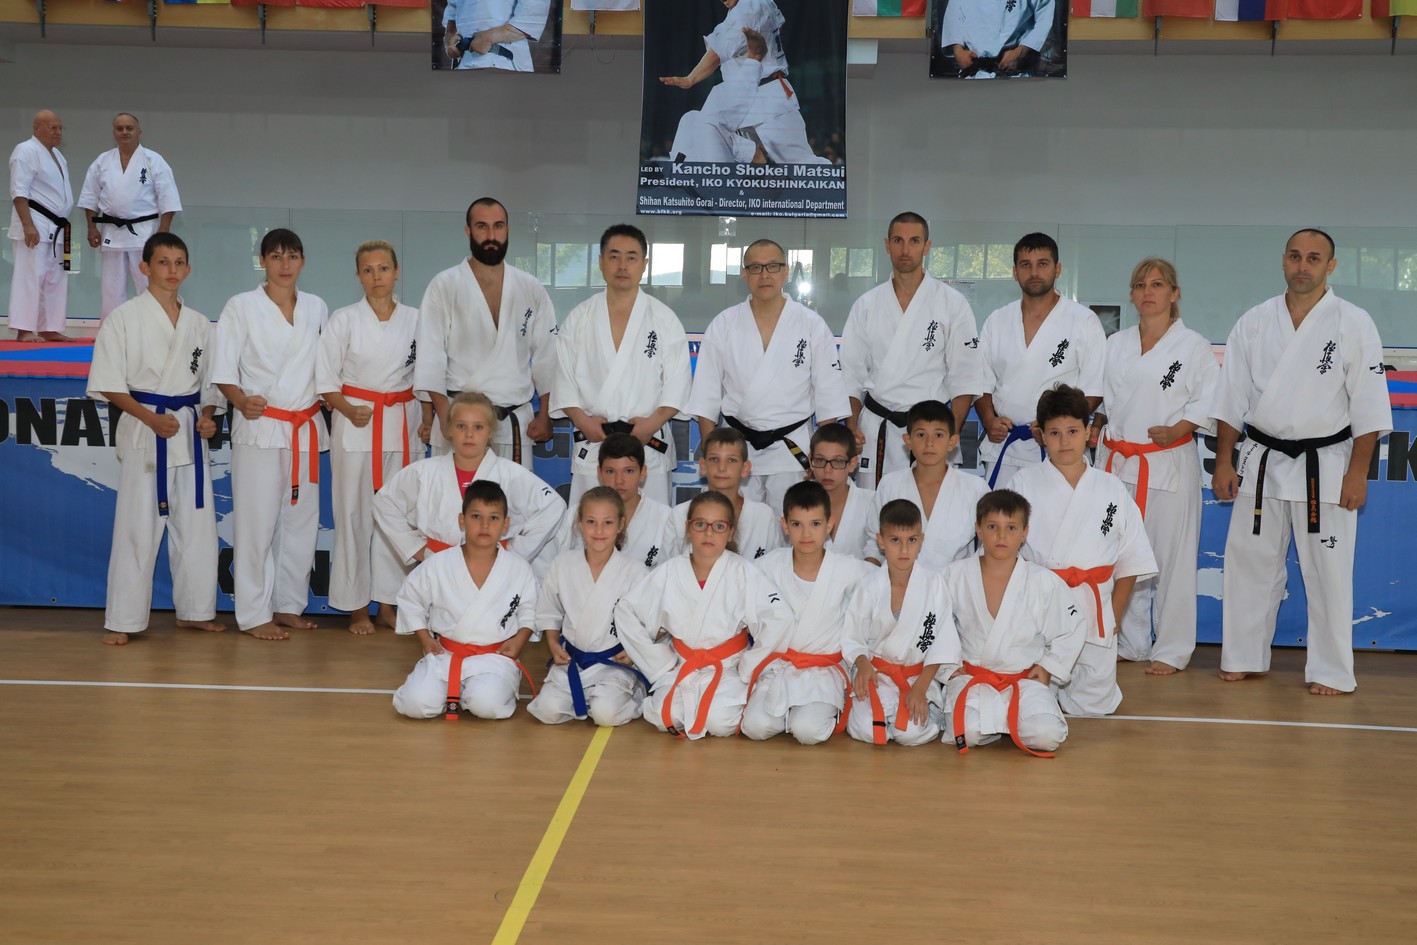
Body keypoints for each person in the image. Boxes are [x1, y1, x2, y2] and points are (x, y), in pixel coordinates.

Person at [1210, 228, 1392, 696]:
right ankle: (1243, 656)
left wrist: (1358, 473)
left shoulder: (1353, 322)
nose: (1302, 265)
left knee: (1328, 572)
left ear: (1331, 266)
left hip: (1325, 463)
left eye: (1313, 258)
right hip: (1261, 461)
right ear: (1283, 261)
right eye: (1295, 256)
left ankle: (1331, 670)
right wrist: (1224, 461)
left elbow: (1369, 406)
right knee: (1250, 563)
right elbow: (1230, 398)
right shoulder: (1254, 321)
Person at [87, 232, 225, 646]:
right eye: (163, 262)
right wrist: (150, 418)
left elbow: (211, 384)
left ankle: (195, 611)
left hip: (187, 433)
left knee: (197, 528)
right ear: (144, 267)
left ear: (188, 269)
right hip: (145, 430)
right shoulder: (123, 318)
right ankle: (122, 619)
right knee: (137, 527)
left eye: (179, 263)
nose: (172, 270)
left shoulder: (199, 323)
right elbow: (109, 382)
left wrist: (207, 417)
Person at [1093, 259, 1217, 675]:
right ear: (1131, 295)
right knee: (1121, 554)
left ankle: (1172, 648)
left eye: (1158, 284)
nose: (1148, 292)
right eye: (1140, 285)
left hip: (1166, 462)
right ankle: (1131, 641)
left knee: (1171, 558)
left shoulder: (1193, 347)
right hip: (1117, 462)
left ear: (1174, 293)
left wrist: (1179, 428)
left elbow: (1208, 399)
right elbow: (1103, 399)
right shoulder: (1116, 344)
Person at [211, 228, 328, 642]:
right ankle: (254, 614)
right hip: (261, 425)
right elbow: (223, 369)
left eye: (292, 256)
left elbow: (327, 367)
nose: (284, 265)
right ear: (262, 261)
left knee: (300, 523)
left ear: (302, 261)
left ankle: (287, 605)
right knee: (256, 524)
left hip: (305, 426)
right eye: (275, 256)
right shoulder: (241, 306)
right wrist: (240, 402)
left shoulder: (317, 307)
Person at [1010, 385, 1156, 716]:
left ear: (1089, 432)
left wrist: (1114, 614)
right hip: (1041, 611)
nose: (1064, 441)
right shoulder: (1022, 483)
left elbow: (1132, 559)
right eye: (1055, 433)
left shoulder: (1111, 487)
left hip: (1094, 610)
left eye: (1073, 431)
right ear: (1041, 435)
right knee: (1033, 707)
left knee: (1093, 709)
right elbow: (1003, 555)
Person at [686, 238, 850, 513]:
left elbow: (829, 394)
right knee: (735, 524)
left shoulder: (811, 324)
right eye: (756, 267)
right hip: (737, 447)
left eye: (773, 266)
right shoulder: (724, 324)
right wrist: (713, 454)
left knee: (791, 526)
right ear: (744, 273)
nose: (764, 274)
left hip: (791, 448)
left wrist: (821, 456)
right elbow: (706, 394)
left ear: (786, 271)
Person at [615, 490, 792, 739]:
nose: (709, 533)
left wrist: (749, 665)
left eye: (718, 526)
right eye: (700, 524)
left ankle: (741, 695)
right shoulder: (670, 571)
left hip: (728, 667)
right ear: (688, 528)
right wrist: (658, 661)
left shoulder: (743, 571)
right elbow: (626, 610)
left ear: (731, 532)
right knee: (664, 717)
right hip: (682, 663)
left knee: (721, 722)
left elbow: (779, 617)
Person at [316, 240, 427, 635]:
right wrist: (347, 409)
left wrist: (428, 418)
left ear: (396, 272)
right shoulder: (344, 320)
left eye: (383, 268)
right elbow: (325, 380)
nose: (377, 276)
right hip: (356, 425)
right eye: (368, 270)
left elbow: (427, 376)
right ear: (358, 276)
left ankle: (389, 602)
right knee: (353, 514)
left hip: (402, 423)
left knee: (399, 516)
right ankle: (356, 606)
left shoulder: (417, 319)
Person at [553, 223, 692, 507]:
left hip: (647, 442)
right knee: (592, 523)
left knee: (651, 526)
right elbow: (563, 380)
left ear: (644, 265)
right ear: (601, 262)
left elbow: (678, 383)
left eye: (631, 257)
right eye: (614, 256)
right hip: (594, 443)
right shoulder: (579, 318)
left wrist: (652, 424)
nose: (622, 265)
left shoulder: (664, 319)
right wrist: (583, 422)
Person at [840, 212, 983, 485]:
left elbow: (965, 377)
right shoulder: (867, 305)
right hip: (877, 428)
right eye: (898, 241)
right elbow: (850, 373)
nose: (905, 250)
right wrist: (851, 426)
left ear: (927, 246)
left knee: (928, 507)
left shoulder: (952, 303)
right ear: (887, 245)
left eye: (914, 241)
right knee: (875, 506)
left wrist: (948, 434)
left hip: (929, 433)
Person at [941, 490, 1085, 757]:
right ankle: (1003, 723)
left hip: (1025, 680)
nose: (1001, 536)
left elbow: (1072, 627)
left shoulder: (1043, 581)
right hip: (973, 678)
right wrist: (947, 667)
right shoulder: (954, 575)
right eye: (992, 527)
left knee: (1046, 735)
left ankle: (1004, 721)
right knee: (967, 732)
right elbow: (936, 625)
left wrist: (1049, 667)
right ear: (978, 529)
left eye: (1011, 528)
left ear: (1024, 533)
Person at [415, 197, 556, 469]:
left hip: (514, 421)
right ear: (468, 231)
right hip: (459, 420)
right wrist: (444, 417)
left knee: (511, 496)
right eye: (482, 226)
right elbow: (430, 356)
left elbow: (547, 357)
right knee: (453, 495)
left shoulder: (531, 288)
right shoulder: (444, 285)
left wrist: (545, 414)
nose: (491, 235)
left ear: (508, 229)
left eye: (498, 226)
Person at [375, 391, 566, 583]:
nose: (469, 434)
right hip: (438, 567)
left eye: (478, 427)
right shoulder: (424, 472)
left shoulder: (511, 473)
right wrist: (416, 549)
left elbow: (553, 506)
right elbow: (384, 502)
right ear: (448, 429)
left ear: (490, 432)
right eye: (461, 426)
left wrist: (515, 551)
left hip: (493, 570)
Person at [391, 480, 539, 720]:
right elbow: (411, 599)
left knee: (487, 705)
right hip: (445, 655)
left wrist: (519, 640)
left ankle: (481, 690)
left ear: (505, 524)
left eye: (494, 518)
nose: (484, 525)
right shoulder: (438, 564)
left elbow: (530, 608)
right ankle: (455, 689)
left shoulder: (518, 568)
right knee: (413, 705)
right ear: (462, 521)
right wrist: (425, 639)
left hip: (495, 657)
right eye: (476, 516)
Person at [741, 481, 873, 744]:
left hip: (824, 669)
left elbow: (887, 590)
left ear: (829, 525)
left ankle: (811, 712)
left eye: (815, 524)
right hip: (780, 666)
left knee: (807, 731)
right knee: (755, 728)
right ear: (784, 525)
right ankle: (786, 713)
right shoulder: (766, 567)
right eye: (797, 524)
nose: (806, 534)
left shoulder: (850, 569)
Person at [975, 233, 1105, 488]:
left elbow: (1094, 390)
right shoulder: (997, 321)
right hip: (1005, 445)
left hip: (1059, 447)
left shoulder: (1083, 321)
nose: (1034, 272)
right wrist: (989, 420)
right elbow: (980, 381)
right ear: (1015, 272)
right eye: (1026, 265)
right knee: (1002, 513)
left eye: (1042, 264)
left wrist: (1053, 426)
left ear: (1058, 269)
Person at [527, 487, 652, 726]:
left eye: (608, 522)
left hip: (613, 662)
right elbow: (549, 612)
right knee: (548, 710)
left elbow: (649, 621)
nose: (599, 531)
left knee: (605, 714)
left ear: (621, 524)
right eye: (591, 522)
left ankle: (634, 694)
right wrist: (553, 643)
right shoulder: (563, 564)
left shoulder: (635, 571)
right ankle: (588, 696)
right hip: (572, 660)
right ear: (579, 523)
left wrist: (634, 652)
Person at [843, 498, 961, 746]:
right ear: (881, 541)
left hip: (917, 677)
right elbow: (852, 636)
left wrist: (920, 687)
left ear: (922, 540)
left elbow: (942, 643)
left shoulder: (934, 584)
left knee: (911, 734)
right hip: (877, 674)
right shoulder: (868, 586)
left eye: (912, 540)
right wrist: (862, 665)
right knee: (866, 730)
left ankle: (926, 709)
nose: (904, 550)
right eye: (895, 540)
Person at [659, 0, 830, 165]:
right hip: (742, 97)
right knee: (694, 122)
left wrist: (690, 79)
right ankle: (747, 156)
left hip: (767, 95)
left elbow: (719, 51)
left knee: (801, 165)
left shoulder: (751, 4)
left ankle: (834, 180)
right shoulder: (741, 10)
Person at [78, 112, 182, 320]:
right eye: (120, 129)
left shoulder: (153, 160)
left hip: (145, 232)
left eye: (129, 128)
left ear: (139, 132)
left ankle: (155, 328)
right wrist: (91, 227)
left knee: (148, 284)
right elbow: (90, 197)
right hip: (111, 232)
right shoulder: (102, 161)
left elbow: (168, 196)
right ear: (114, 133)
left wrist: (164, 229)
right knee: (111, 288)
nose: (124, 132)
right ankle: (112, 331)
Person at [869, 400, 988, 571]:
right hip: (900, 582)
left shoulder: (976, 488)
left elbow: (989, 546)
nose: (929, 443)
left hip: (955, 583)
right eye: (921, 435)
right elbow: (874, 544)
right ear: (908, 441)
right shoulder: (890, 485)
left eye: (938, 435)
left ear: (952, 441)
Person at [553, 433, 676, 570]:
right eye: (610, 471)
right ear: (599, 473)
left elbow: (671, 573)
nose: (619, 481)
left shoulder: (664, 517)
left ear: (642, 472)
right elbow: (552, 566)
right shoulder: (577, 513)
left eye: (628, 471)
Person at [664, 427, 781, 561]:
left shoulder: (764, 516)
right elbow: (666, 570)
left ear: (745, 468)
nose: (722, 468)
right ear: (703, 465)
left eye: (731, 460)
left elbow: (774, 567)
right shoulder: (680, 514)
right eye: (714, 459)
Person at [8, 109, 74, 342]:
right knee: (30, 276)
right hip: (35, 221)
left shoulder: (57, 155)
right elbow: (19, 191)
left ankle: (49, 327)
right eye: (53, 127)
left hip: (57, 227)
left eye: (60, 128)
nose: (58, 132)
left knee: (55, 277)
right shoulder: (25, 150)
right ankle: (24, 329)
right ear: (37, 128)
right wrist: (28, 225)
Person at [805, 423, 875, 559]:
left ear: (852, 464)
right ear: (810, 460)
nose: (827, 470)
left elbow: (876, 553)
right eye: (820, 460)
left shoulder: (871, 503)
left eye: (837, 461)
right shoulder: (798, 500)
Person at [939, 0, 1055, 77]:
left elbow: (1045, 18)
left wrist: (1020, 52)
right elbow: (954, 16)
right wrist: (958, 50)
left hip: (1014, 71)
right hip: (974, 71)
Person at [441, 0, 552, 72]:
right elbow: (453, 9)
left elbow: (533, 12)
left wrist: (489, 38)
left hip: (504, 62)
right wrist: (450, 38)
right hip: (466, 62)